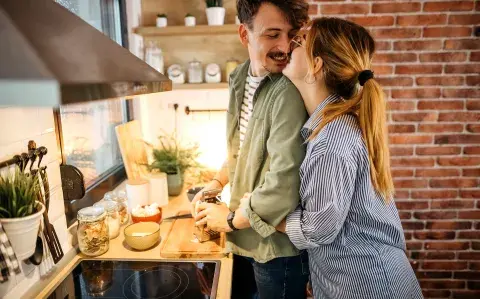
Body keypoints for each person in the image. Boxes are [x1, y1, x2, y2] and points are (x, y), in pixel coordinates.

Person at [271, 17, 423, 299]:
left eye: (300, 41)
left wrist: (265, 216)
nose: (290, 46)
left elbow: (318, 230)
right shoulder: (329, 126)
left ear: (316, 65)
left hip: (370, 285)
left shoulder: (332, 138)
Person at [192, 1, 310, 299]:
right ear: (245, 34)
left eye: (291, 33)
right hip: (244, 233)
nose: (285, 46)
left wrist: (228, 220)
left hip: (275, 250)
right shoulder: (241, 78)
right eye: (272, 34)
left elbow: (284, 184)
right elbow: (241, 147)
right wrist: (217, 182)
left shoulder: (288, 90)